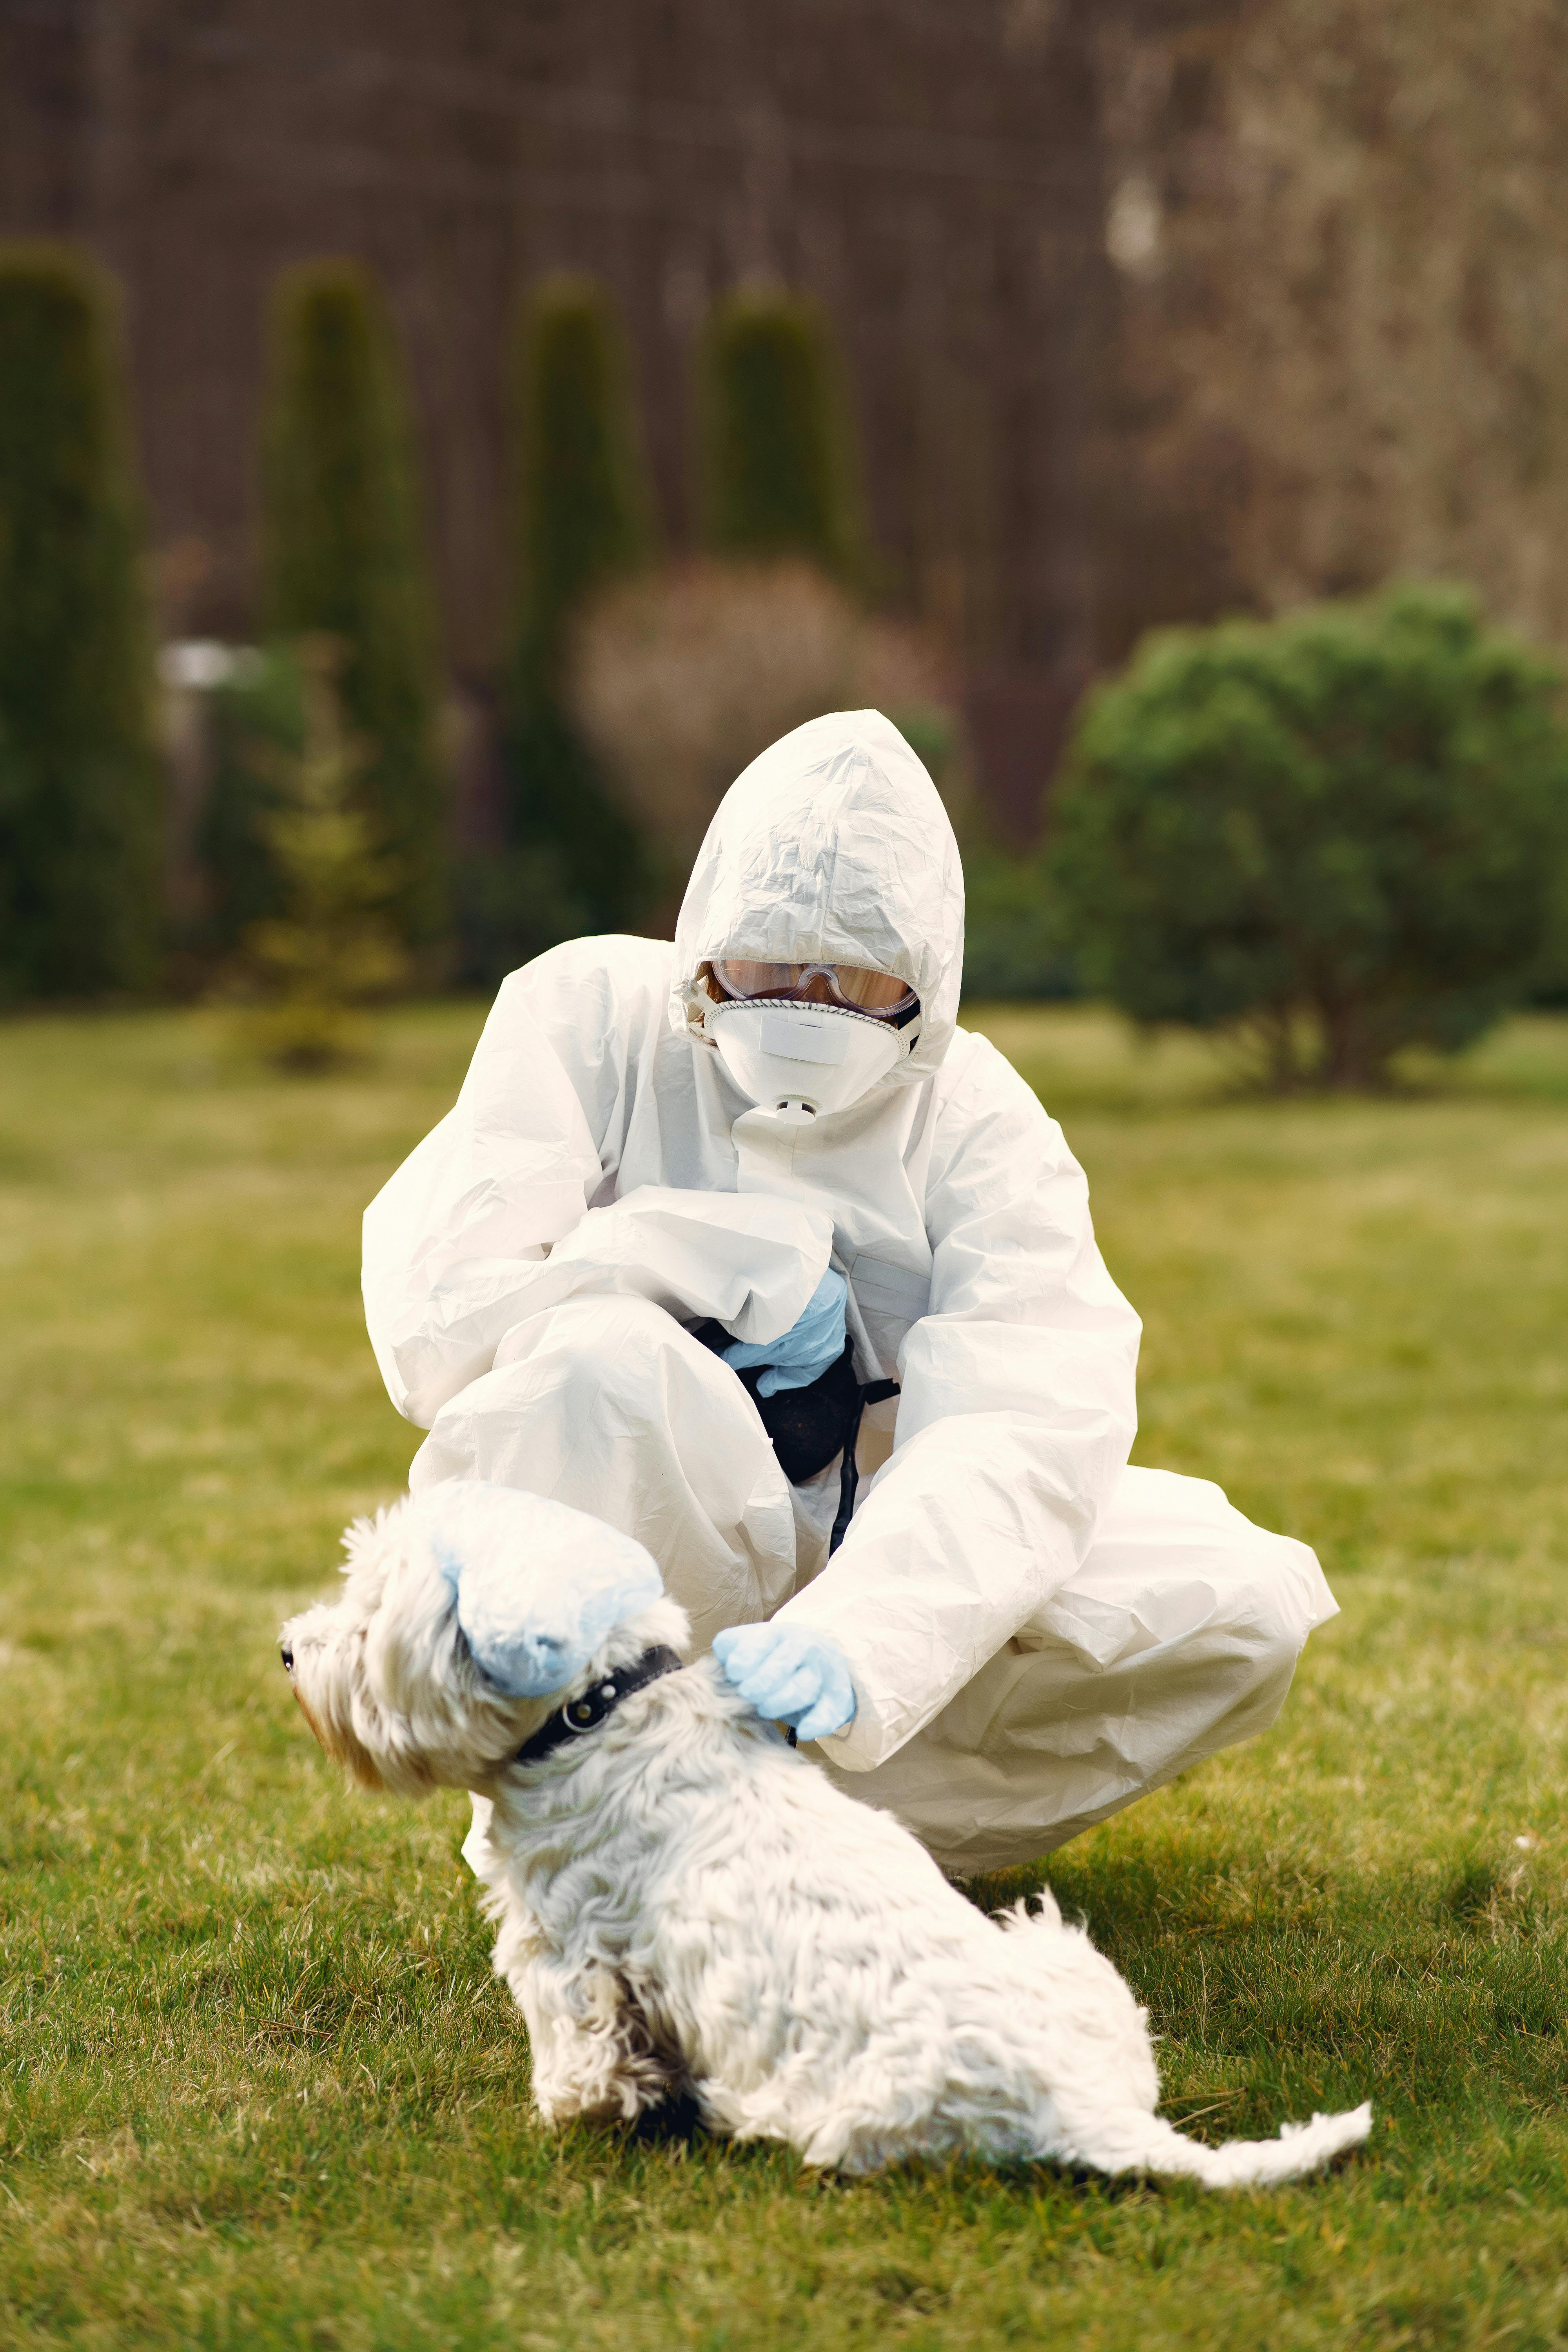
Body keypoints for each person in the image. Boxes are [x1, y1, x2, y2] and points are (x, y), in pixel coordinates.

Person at [363, 710, 1337, 1875]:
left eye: (853, 978)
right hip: (642, 1536)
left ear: (925, 979)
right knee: (595, 1367)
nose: (809, 1003)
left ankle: (752, 1822)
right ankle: (590, 1812)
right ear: (705, 943)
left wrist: (861, 1639)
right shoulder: (588, 1019)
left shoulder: (977, 1119)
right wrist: (714, 1264)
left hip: (874, 1546)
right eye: (773, 966)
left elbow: (1023, 1424)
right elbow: (443, 1319)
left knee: (1240, 1604)